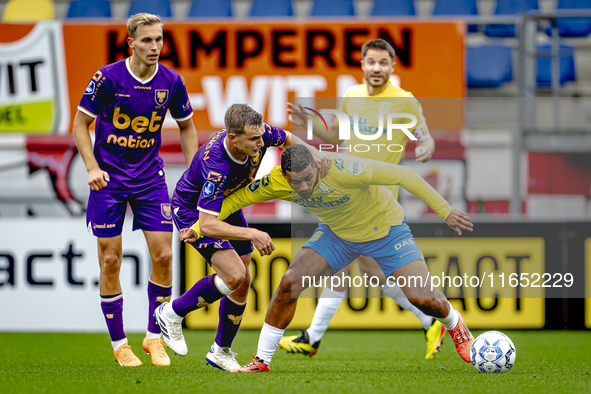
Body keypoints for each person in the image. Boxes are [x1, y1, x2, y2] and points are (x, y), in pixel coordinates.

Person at [179, 145, 474, 372]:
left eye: (309, 179)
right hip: (337, 235)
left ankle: (455, 324)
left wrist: (445, 210)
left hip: (386, 231)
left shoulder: (346, 168)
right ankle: (261, 361)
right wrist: (195, 227)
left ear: (318, 167)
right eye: (297, 182)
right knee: (288, 284)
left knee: (423, 299)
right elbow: (234, 201)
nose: (304, 187)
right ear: (285, 176)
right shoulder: (275, 181)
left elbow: (404, 175)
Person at [285, 38, 443, 359]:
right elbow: (338, 137)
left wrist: (426, 146)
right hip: (346, 191)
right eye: (371, 62)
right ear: (362, 64)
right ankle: (313, 338)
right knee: (363, 270)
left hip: (377, 198)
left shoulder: (405, 101)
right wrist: (309, 122)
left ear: (393, 66)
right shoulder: (352, 96)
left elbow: (425, 136)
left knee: (360, 268)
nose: (376, 68)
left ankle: (429, 320)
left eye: (383, 63)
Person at [153, 104, 329, 371]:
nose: (262, 143)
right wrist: (253, 232)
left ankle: (220, 351)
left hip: (228, 204)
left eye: (261, 136)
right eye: (254, 139)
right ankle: (171, 313)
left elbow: (288, 137)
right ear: (233, 138)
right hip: (194, 211)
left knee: (243, 280)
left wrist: (313, 153)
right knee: (234, 275)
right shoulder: (217, 165)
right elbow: (208, 224)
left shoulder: (257, 134)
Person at [72, 13, 198, 367]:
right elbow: (80, 125)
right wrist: (92, 168)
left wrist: (194, 171)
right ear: (131, 43)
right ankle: (119, 344)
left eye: (159, 39)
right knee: (110, 260)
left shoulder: (172, 82)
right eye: (147, 40)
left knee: (164, 256)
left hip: (148, 179)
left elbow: (187, 128)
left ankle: (154, 338)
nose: (155, 46)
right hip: (108, 181)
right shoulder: (107, 78)